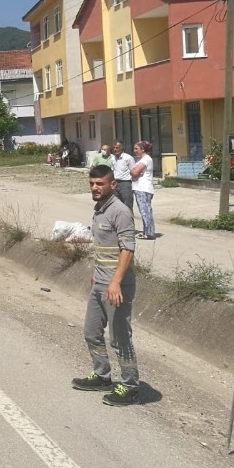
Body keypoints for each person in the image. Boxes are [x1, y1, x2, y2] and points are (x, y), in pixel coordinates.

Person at [71, 164, 141, 406]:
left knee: (120, 338)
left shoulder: (120, 211)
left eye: (100, 183)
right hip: (100, 283)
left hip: (116, 286)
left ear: (113, 184)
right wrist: (97, 274)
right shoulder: (99, 209)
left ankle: (130, 385)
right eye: (92, 183)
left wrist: (115, 282)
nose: (95, 187)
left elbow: (128, 249)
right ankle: (102, 375)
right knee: (91, 332)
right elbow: (103, 247)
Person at [131, 141, 155, 239]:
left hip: (142, 188)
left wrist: (132, 171)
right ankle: (147, 231)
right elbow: (136, 172)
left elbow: (135, 172)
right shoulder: (142, 159)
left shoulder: (146, 159)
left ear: (143, 149)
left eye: (136, 148)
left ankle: (148, 233)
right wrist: (134, 172)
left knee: (145, 211)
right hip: (141, 188)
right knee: (145, 210)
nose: (135, 151)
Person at [110, 141, 135, 210]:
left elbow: (133, 171)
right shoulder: (113, 159)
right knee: (117, 205)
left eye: (117, 148)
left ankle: (129, 217)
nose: (115, 149)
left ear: (122, 148)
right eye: (114, 148)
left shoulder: (128, 158)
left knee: (127, 205)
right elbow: (112, 170)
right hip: (115, 183)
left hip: (125, 183)